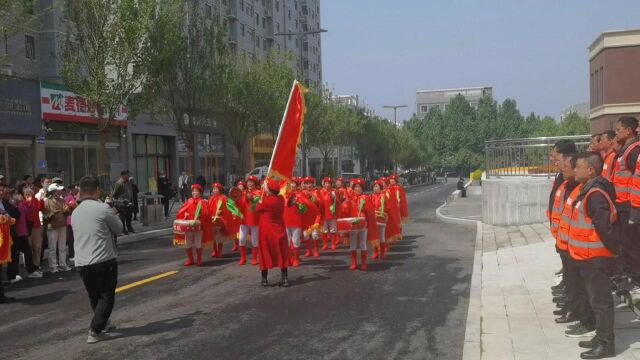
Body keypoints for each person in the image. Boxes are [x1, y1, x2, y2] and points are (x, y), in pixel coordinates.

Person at [567, 152, 618, 359]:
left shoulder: (595, 194)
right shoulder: (587, 191)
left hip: (596, 259)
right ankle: (600, 336)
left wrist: (613, 252)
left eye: (578, 166)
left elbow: (605, 229)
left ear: (590, 170)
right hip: (588, 258)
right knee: (595, 300)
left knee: (601, 302)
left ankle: (607, 345)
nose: (575, 169)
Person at [72, 175, 122, 344]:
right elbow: (119, 229)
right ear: (97, 191)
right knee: (106, 297)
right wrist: (114, 213)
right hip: (103, 260)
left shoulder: (75, 211)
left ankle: (103, 323)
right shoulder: (102, 208)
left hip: (82, 262)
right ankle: (95, 330)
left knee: (94, 297)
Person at [612, 117, 640, 291]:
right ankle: (631, 275)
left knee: (631, 244)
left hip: (630, 205)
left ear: (629, 130)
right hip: (623, 204)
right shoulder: (626, 150)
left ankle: (636, 278)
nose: (617, 133)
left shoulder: (633, 151)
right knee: (625, 242)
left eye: (619, 129)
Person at [256, 178, 290, 287]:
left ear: (269, 190)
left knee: (265, 252)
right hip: (279, 228)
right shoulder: (281, 199)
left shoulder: (265, 200)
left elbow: (256, 209)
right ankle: (284, 278)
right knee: (282, 253)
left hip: (266, 230)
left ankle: (264, 279)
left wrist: (260, 199)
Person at [342, 178, 378, 270]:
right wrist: (345, 204)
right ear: (353, 188)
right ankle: (354, 263)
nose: (357, 189)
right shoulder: (350, 198)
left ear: (362, 188)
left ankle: (363, 263)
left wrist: (364, 208)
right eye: (356, 187)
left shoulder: (365, 198)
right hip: (353, 224)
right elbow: (344, 210)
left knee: (363, 243)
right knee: (353, 244)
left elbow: (370, 211)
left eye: (359, 187)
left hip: (363, 224)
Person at [175, 184, 212, 266]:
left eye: (196, 191)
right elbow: (183, 211)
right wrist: (185, 215)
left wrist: (200, 216)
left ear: (200, 193)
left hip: (198, 226)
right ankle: (190, 259)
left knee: (198, 242)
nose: (195, 193)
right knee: (188, 242)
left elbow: (206, 214)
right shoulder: (189, 201)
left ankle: (199, 258)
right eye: (193, 191)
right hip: (188, 226)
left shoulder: (203, 202)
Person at [8, 187, 41, 280]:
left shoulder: (22, 204)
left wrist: (29, 202)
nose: (16, 196)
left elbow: (30, 211)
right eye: (14, 194)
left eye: (17, 194)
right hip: (16, 233)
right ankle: (14, 274)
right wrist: (15, 204)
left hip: (23, 232)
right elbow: (14, 214)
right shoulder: (12, 204)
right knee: (15, 255)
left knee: (27, 252)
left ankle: (30, 271)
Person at [43, 183, 72, 272]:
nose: (60, 191)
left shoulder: (62, 200)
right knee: (52, 248)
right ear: (54, 191)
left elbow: (66, 211)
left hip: (62, 225)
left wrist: (68, 209)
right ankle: (53, 266)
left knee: (62, 246)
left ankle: (63, 264)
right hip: (52, 226)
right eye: (59, 190)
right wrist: (52, 213)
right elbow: (45, 214)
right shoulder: (46, 201)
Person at [238, 176, 261, 266]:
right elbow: (239, 204)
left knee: (255, 240)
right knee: (241, 239)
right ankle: (243, 258)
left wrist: (252, 198)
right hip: (244, 219)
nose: (250, 184)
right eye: (248, 182)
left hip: (255, 219)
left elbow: (259, 203)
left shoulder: (258, 193)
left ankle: (255, 258)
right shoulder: (243, 193)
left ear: (255, 183)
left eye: (252, 182)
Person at [371, 180, 389, 260]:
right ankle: (375, 252)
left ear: (380, 187)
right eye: (374, 186)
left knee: (381, 236)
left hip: (382, 218)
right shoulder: (371, 196)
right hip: (373, 219)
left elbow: (388, 207)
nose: (375, 188)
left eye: (377, 186)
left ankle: (382, 252)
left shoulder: (384, 196)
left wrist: (382, 209)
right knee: (374, 237)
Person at [111, 170, 135, 235]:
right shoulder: (119, 183)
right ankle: (123, 229)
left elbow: (131, 192)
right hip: (122, 203)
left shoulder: (128, 182)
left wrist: (132, 201)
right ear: (123, 175)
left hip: (128, 203)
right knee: (123, 217)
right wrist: (118, 202)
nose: (129, 176)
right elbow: (114, 194)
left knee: (129, 216)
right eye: (127, 174)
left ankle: (129, 228)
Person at [65, 184, 79, 262]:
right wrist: (73, 205)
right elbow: (67, 206)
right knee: (71, 239)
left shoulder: (76, 196)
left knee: (76, 238)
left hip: (76, 219)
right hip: (70, 220)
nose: (74, 190)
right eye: (73, 189)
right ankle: (71, 255)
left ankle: (76, 254)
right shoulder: (68, 197)